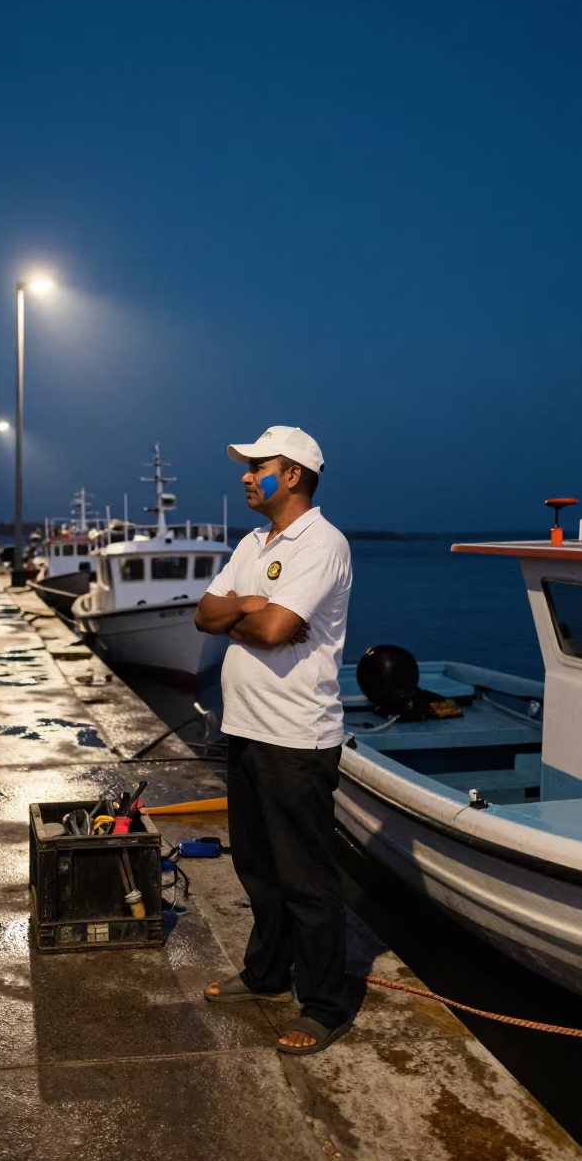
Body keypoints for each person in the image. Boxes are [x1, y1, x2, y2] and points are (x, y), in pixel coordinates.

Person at [194, 425, 352, 1056]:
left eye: (257, 465)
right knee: (257, 867)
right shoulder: (252, 543)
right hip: (246, 728)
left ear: (291, 475)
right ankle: (266, 974)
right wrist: (249, 605)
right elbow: (204, 615)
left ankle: (325, 1004)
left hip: (297, 737)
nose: (244, 475)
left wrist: (248, 611)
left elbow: (274, 630)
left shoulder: (322, 543)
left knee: (305, 878)